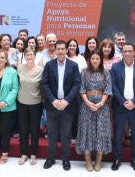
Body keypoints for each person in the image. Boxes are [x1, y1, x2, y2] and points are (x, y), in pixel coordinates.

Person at [42, 40, 81, 171]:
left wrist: (66, 100)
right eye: (58, 49)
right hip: (52, 104)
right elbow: (44, 84)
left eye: (62, 49)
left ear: (66, 50)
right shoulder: (49, 65)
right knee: (52, 133)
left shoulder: (73, 65)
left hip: (67, 105)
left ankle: (65, 159)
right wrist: (53, 100)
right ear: (56, 50)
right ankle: (51, 157)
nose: (60, 51)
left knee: (66, 134)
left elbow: (77, 84)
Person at [110, 43, 135, 172]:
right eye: (125, 51)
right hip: (120, 106)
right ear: (122, 53)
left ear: (134, 53)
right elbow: (113, 86)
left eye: (129, 51)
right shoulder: (115, 67)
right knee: (118, 134)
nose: (127, 53)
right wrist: (123, 101)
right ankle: (117, 158)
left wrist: (134, 102)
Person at [76, 50, 112, 172]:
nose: (95, 60)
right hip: (86, 106)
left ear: (101, 59)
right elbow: (81, 89)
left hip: (102, 107)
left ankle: (98, 160)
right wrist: (87, 102)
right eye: (93, 58)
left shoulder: (106, 72)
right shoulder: (84, 72)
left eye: (97, 58)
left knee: (100, 132)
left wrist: (101, 103)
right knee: (87, 132)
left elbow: (108, 89)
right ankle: (87, 160)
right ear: (89, 60)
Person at [16, 47, 44, 165]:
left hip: (36, 103)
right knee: (23, 129)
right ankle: (24, 153)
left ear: (35, 56)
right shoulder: (20, 69)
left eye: (31, 55)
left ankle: (33, 153)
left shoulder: (41, 70)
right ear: (24, 56)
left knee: (34, 129)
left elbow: (43, 87)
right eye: (27, 55)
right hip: (22, 102)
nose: (29, 57)